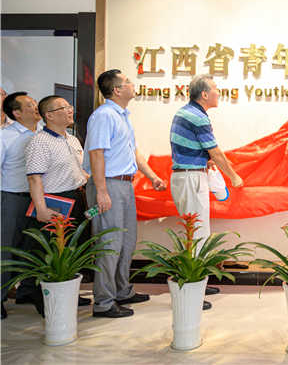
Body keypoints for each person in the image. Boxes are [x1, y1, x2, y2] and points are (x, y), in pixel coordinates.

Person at [83, 69, 166, 318]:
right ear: (117, 90)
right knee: (109, 243)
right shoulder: (104, 116)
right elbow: (96, 153)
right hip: (108, 185)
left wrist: (152, 176)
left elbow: (133, 152)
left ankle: (122, 291)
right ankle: (104, 302)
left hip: (125, 185)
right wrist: (101, 191)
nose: (132, 84)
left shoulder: (122, 116)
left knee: (127, 241)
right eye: (127, 81)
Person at [169, 74, 243, 310]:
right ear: (204, 94)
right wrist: (233, 176)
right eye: (215, 89)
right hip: (191, 178)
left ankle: (198, 281)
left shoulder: (189, 113)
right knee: (196, 233)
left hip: (189, 175)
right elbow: (215, 152)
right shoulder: (197, 116)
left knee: (197, 232)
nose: (218, 92)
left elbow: (200, 150)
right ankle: (191, 289)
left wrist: (205, 160)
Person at [24, 95, 92, 308]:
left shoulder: (72, 139)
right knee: (50, 252)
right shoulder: (40, 141)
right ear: (49, 115)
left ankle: (68, 295)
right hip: (55, 200)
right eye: (64, 107)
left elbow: (79, 170)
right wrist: (41, 209)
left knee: (72, 248)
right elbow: (34, 178)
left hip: (78, 198)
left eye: (69, 106)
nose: (70, 110)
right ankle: (46, 301)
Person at [1, 92, 41, 319]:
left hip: (37, 199)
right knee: (6, 249)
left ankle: (27, 291)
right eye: (30, 105)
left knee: (32, 247)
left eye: (35, 103)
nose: (36, 107)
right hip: (12, 198)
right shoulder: (5, 136)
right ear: (16, 113)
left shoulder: (41, 134)